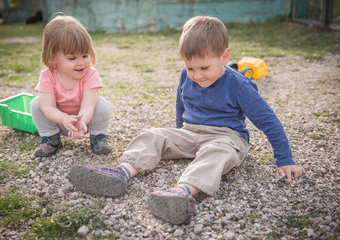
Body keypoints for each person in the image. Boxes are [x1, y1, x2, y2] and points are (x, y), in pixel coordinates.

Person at [69, 16, 306, 225]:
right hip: (191, 132)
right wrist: (177, 134)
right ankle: (121, 172)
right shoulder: (187, 75)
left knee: (216, 153)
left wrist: (285, 159)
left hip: (227, 137)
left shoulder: (240, 86)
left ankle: (183, 191)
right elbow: (181, 104)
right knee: (153, 134)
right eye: (190, 67)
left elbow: (268, 121)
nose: (196, 75)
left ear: (225, 56)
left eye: (204, 67)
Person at [30, 14, 112, 157]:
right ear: (53, 58)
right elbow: (48, 107)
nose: (81, 62)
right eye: (72, 58)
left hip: (85, 120)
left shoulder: (90, 74)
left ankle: (98, 137)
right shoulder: (48, 76)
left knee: (102, 104)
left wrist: (81, 122)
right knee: (37, 104)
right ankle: (51, 139)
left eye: (85, 56)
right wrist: (63, 119)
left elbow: (88, 105)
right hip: (59, 121)